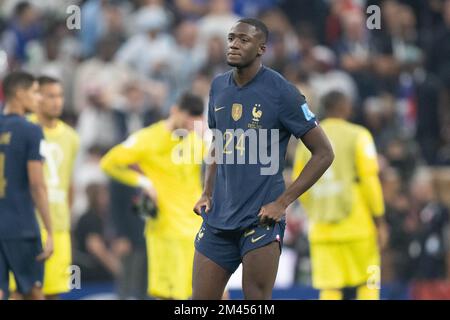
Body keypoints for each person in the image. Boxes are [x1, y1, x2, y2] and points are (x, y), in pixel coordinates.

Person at [192, 18, 334, 300]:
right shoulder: (218, 86)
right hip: (218, 218)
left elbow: (324, 153)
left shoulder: (282, 92)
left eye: (244, 40)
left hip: (260, 221)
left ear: (261, 49)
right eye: (231, 38)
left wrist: (282, 202)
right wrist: (206, 192)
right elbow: (217, 143)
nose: (234, 44)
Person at [100, 92, 205, 299]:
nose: (189, 125)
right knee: (169, 295)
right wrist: (144, 182)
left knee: (211, 292)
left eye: (194, 121)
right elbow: (108, 162)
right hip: (165, 230)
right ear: (174, 111)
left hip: (197, 228)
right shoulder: (147, 138)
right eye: (187, 120)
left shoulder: (198, 139)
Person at [292, 90, 387, 300]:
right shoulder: (358, 135)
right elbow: (370, 180)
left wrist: (314, 211)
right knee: (369, 281)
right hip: (358, 227)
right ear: (344, 107)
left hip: (322, 230)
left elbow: (299, 184)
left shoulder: (306, 140)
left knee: (330, 287)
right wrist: (379, 220)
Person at [0, 71, 53, 300]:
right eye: (34, 92)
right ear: (20, 94)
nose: (39, 99)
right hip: (21, 226)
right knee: (33, 291)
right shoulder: (31, 130)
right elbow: (37, 184)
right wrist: (49, 230)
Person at [25, 76, 79, 299]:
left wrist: (64, 222)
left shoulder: (71, 137)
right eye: (50, 96)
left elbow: (69, 183)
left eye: (60, 96)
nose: (57, 102)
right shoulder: (23, 127)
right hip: (28, 226)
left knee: (54, 293)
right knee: (23, 291)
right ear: (37, 98)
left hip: (59, 229)